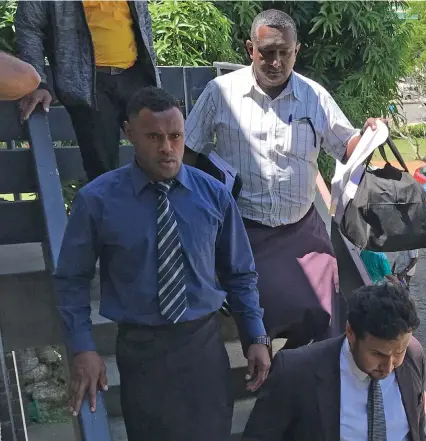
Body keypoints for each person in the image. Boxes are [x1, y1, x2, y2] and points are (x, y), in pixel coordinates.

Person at [54, 87, 271, 441]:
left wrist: (255, 335)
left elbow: (240, 273)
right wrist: (83, 347)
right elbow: (71, 280)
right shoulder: (98, 201)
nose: (167, 147)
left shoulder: (213, 195)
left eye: (175, 136)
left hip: (202, 345)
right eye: (154, 137)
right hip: (142, 350)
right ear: (129, 134)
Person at [184, 9, 385, 349]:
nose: (275, 62)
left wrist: (369, 135)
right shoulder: (220, 93)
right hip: (244, 232)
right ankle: (268, 368)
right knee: (262, 310)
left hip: (302, 231)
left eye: (284, 53)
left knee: (327, 309)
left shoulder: (314, 96)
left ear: (297, 51)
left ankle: (303, 376)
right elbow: (187, 151)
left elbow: (346, 148)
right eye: (267, 52)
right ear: (251, 49)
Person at [243, 283, 425, 441]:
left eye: (398, 352)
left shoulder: (413, 356)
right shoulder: (294, 371)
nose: (388, 367)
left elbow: (417, 429)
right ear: (351, 333)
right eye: (377, 353)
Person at [15, 1, 160, 182]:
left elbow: (143, 20)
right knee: (103, 170)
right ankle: (108, 210)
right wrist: (38, 82)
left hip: (137, 75)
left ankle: (161, 208)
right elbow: (29, 26)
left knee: (161, 153)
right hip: (87, 83)